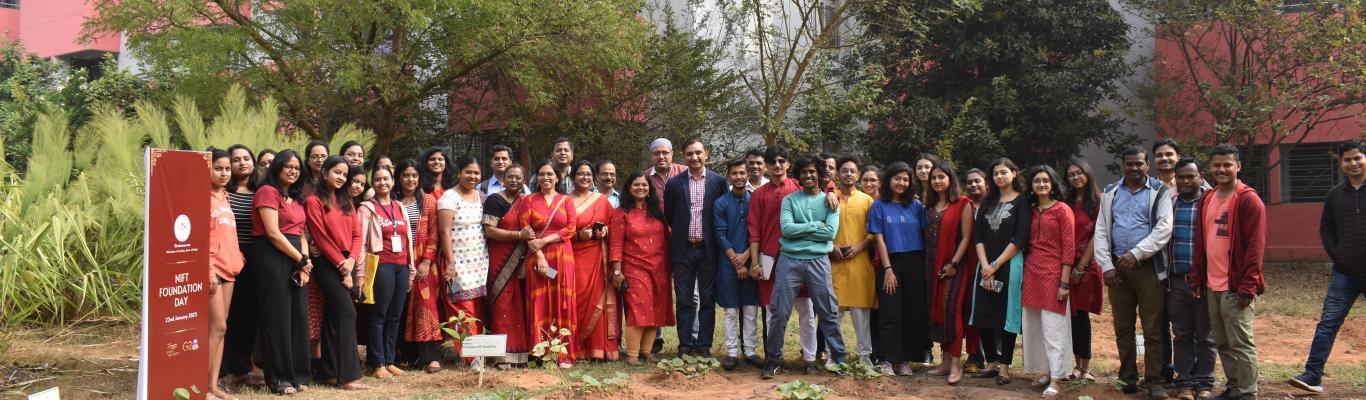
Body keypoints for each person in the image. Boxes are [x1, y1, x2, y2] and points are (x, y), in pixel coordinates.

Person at [1094, 146, 1173, 399]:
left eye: (1139, 163)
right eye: (1130, 164)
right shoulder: (1110, 192)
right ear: (1123, 165)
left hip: (1148, 268)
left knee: (1153, 328)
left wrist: (1137, 253)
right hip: (1117, 270)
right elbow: (1101, 230)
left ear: (1147, 165)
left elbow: (1164, 228)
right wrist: (1106, 266)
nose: (1135, 168)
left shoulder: (1159, 191)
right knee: (1123, 327)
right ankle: (1127, 377)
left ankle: (1154, 380)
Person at [760, 156, 848, 379]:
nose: (808, 176)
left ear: (819, 174)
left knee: (828, 311)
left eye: (812, 172)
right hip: (789, 260)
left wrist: (803, 230)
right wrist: (816, 225)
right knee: (779, 312)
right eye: (804, 172)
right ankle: (773, 361)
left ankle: (839, 359)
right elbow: (787, 230)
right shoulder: (789, 200)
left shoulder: (830, 201)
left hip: (818, 261)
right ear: (798, 175)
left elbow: (830, 233)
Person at [1189, 144, 1266, 400]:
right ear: (1210, 168)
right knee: (1222, 342)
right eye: (1217, 165)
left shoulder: (1248, 199)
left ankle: (1247, 393)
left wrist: (1248, 286)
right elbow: (1201, 242)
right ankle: (1233, 388)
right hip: (1212, 284)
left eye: (1227, 165)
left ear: (1238, 166)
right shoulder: (1207, 198)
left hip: (1236, 286)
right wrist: (1198, 278)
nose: (1221, 169)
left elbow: (1255, 247)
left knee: (1241, 343)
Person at [1290, 139, 1366, 395]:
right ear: (1341, 163)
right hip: (1344, 273)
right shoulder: (1335, 195)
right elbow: (1326, 230)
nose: (1353, 163)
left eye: (1357, 158)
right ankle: (1312, 375)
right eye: (1347, 159)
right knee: (1328, 323)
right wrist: (1338, 256)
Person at [747, 146, 819, 374]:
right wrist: (756, 262)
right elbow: (754, 231)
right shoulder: (758, 194)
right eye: (772, 162)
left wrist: (830, 194)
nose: (777, 165)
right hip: (768, 257)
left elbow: (822, 194)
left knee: (806, 310)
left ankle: (809, 359)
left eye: (781, 161)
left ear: (788, 164)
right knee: (772, 311)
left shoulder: (800, 187)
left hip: (801, 255)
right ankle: (774, 359)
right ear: (766, 166)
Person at [251, 150, 312, 394]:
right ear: (276, 167)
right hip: (272, 256)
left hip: (297, 258)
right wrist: (300, 260)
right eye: (288, 166)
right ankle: (279, 378)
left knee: (297, 317)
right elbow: (273, 233)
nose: (293, 171)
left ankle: (299, 375)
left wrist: (305, 264)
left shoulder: (295, 199)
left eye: (297, 168)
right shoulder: (267, 192)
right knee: (277, 318)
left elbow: (301, 234)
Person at [303, 156, 366, 390]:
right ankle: (348, 376)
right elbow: (320, 237)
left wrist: (351, 260)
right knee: (347, 313)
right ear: (325, 172)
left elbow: (358, 235)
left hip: (347, 260)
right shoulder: (313, 201)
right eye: (337, 172)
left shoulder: (346, 200)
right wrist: (342, 264)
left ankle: (329, 373)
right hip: (327, 263)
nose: (341, 177)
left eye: (344, 174)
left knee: (333, 315)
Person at [509, 160, 580, 368]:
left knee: (562, 301)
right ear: (536, 178)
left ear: (558, 177)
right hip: (536, 257)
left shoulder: (566, 200)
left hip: (562, 256)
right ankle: (540, 353)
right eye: (541, 174)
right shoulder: (528, 200)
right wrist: (539, 254)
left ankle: (563, 354)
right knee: (538, 302)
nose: (546, 177)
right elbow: (526, 230)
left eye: (550, 174)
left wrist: (544, 240)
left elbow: (571, 228)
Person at [663, 139, 729, 356]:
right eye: (690, 154)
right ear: (684, 156)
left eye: (698, 152)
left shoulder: (719, 182)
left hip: (709, 251)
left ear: (706, 154)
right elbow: (670, 215)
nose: (694, 157)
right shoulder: (674, 184)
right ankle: (685, 345)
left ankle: (704, 345)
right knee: (684, 301)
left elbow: (723, 213)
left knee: (708, 300)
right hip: (683, 251)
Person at [970, 158, 1031, 386]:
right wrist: (986, 266)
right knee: (983, 312)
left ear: (1014, 173)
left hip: (1010, 265)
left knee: (1008, 316)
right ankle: (991, 363)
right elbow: (978, 238)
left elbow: (1020, 238)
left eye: (1004, 172)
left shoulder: (1022, 201)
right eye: (995, 173)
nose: (999, 177)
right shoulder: (988, 201)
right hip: (984, 265)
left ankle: (1004, 366)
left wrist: (995, 266)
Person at [1019, 165, 1075, 398]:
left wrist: (1064, 284)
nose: (1041, 184)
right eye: (1036, 181)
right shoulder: (1030, 210)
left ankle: (1056, 378)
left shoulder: (1062, 210)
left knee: (1054, 328)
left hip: (1054, 275)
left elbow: (1069, 248)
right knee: (1035, 327)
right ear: (1031, 186)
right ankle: (1048, 370)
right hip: (1031, 273)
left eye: (1045, 180)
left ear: (1052, 184)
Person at [868, 162, 928, 376]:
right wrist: (888, 269)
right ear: (888, 180)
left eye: (905, 179)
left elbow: (925, 235)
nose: (901, 183)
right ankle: (886, 359)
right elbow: (879, 239)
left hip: (915, 262)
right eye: (897, 178)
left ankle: (904, 360)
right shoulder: (879, 205)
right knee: (889, 312)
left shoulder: (916, 205)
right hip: (891, 262)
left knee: (911, 311)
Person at [610, 172, 676, 365]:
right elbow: (615, 243)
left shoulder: (657, 211)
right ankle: (632, 354)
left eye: (644, 185)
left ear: (650, 189)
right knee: (639, 307)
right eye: (636, 185)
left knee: (655, 308)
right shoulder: (621, 213)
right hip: (633, 268)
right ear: (629, 188)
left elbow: (668, 237)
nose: (641, 188)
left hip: (659, 267)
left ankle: (646, 352)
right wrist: (617, 271)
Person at [1165, 158, 1216, 400]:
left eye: (1190, 176)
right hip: (1177, 281)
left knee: (1206, 336)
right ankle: (1184, 383)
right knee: (1182, 335)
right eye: (1181, 177)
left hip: (1205, 281)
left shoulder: (1211, 203)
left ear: (1201, 176)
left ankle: (1204, 384)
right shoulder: (1171, 204)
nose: (1186, 181)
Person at [358, 166, 413, 379]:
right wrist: (360, 271)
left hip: (402, 265)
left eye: (386, 179)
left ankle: (390, 361)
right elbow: (361, 242)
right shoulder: (367, 208)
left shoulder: (399, 206)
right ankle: (377, 363)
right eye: (378, 179)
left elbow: (408, 238)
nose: (383, 182)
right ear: (373, 183)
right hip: (382, 265)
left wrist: (410, 267)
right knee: (379, 314)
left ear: (392, 181)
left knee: (395, 315)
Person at [924, 161, 976, 385]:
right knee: (938, 313)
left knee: (952, 312)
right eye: (934, 177)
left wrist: (953, 263)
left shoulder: (962, 203)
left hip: (955, 268)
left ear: (950, 179)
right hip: (932, 267)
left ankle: (956, 364)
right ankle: (945, 361)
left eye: (941, 177)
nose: (937, 181)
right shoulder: (929, 206)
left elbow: (967, 237)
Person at [435, 155, 489, 361]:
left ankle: (478, 354)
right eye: (468, 172)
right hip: (457, 264)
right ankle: (471, 357)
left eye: (476, 173)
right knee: (462, 310)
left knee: (477, 309)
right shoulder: (449, 197)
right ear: (459, 173)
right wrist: (450, 264)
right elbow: (444, 232)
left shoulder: (482, 197)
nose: (472, 176)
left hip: (479, 263)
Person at [221, 145, 265, 388]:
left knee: (250, 315)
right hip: (227, 257)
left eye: (246, 158)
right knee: (227, 316)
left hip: (255, 258)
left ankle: (242, 368)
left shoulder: (261, 192)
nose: (241, 163)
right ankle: (222, 370)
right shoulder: (223, 193)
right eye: (235, 160)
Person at [482, 164, 533, 368]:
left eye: (518, 177)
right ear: (503, 179)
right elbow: (489, 231)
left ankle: (521, 353)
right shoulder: (494, 200)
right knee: (501, 303)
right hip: (500, 258)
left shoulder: (526, 201)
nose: (514, 180)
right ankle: (501, 356)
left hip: (521, 259)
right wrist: (518, 235)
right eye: (510, 176)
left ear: (524, 180)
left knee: (520, 304)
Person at [567, 160, 619, 361]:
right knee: (576, 299)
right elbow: (560, 231)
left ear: (594, 178)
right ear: (573, 177)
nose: (585, 177)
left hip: (597, 258)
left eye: (588, 174)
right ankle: (576, 346)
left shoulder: (601, 200)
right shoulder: (565, 201)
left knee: (598, 299)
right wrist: (578, 235)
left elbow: (615, 226)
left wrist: (605, 230)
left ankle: (597, 348)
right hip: (573, 257)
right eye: (581, 173)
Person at [714, 158, 762, 370]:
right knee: (730, 310)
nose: (739, 177)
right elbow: (719, 234)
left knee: (750, 309)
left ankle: (750, 351)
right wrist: (737, 261)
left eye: (742, 173)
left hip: (752, 260)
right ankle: (732, 352)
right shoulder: (721, 202)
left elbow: (759, 232)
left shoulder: (756, 199)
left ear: (748, 175)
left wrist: (747, 257)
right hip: (727, 262)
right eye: (734, 173)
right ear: (729, 176)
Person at [400, 158, 446, 373]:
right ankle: (407, 356)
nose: (410, 179)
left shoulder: (427, 200)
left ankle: (432, 358)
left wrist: (427, 260)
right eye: (406, 175)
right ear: (399, 178)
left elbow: (434, 233)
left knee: (426, 308)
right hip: (399, 261)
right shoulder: (394, 200)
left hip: (424, 264)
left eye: (414, 175)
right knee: (401, 308)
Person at [829, 155, 876, 364]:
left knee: (860, 312)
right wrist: (831, 247)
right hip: (834, 263)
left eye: (853, 171)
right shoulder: (830, 198)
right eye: (844, 171)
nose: (848, 174)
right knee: (833, 311)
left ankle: (864, 356)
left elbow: (874, 232)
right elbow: (821, 227)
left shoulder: (867, 200)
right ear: (837, 174)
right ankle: (833, 355)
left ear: (858, 176)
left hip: (859, 263)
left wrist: (859, 247)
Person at [1062, 159, 1104, 384]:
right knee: (1070, 315)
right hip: (1065, 264)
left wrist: (1080, 267)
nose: (1076, 177)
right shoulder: (1065, 201)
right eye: (1071, 174)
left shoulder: (1099, 200)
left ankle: (1085, 367)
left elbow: (1098, 234)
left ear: (1088, 173)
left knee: (1082, 315)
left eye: (1079, 173)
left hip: (1086, 265)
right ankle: (1076, 365)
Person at [207, 148, 244, 400]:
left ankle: (212, 386)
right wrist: (207, 269)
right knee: (217, 327)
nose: (224, 173)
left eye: (227, 169)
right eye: (218, 168)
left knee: (221, 330)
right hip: (212, 269)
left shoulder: (225, 196)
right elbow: (198, 237)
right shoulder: (200, 196)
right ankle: (199, 387)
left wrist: (238, 256)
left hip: (230, 268)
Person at [959, 167, 990, 374]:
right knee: (971, 307)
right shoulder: (965, 205)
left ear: (986, 182)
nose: (973, 185)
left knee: (994, 307)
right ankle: (974, 354)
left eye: (977, 181)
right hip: (969, 263)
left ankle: (997, 355)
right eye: (969, 182)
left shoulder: (996, 204)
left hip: (995, 262)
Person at [646, 137, 690, 204]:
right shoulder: (645, 177)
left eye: (665, 153)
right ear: (651, 155)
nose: (661, 157)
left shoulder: (686, 171)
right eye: (656, 153)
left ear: (671, 154)